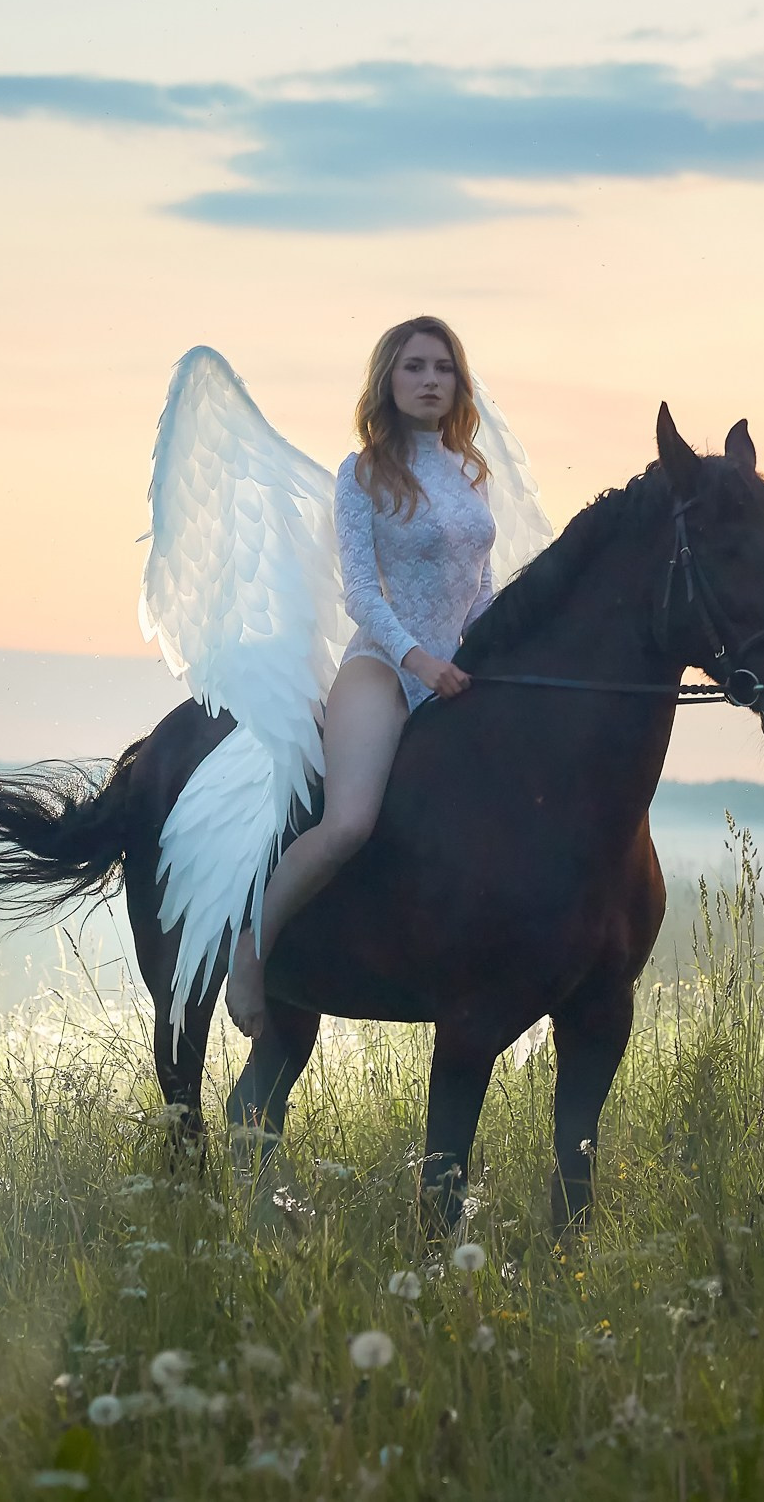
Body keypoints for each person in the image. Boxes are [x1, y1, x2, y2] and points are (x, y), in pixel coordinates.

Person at [225, 316, 497, 1039]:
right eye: (414, 367)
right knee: (349, 823)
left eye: (443, 367)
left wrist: (498, 648)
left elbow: (481, 589)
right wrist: (419, 661)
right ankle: (252, 950)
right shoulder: (363, 473)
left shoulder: (472, 475)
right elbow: (362, 596)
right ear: (388, 380)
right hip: (383, 665)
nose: (431, 379)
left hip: (457, 671)